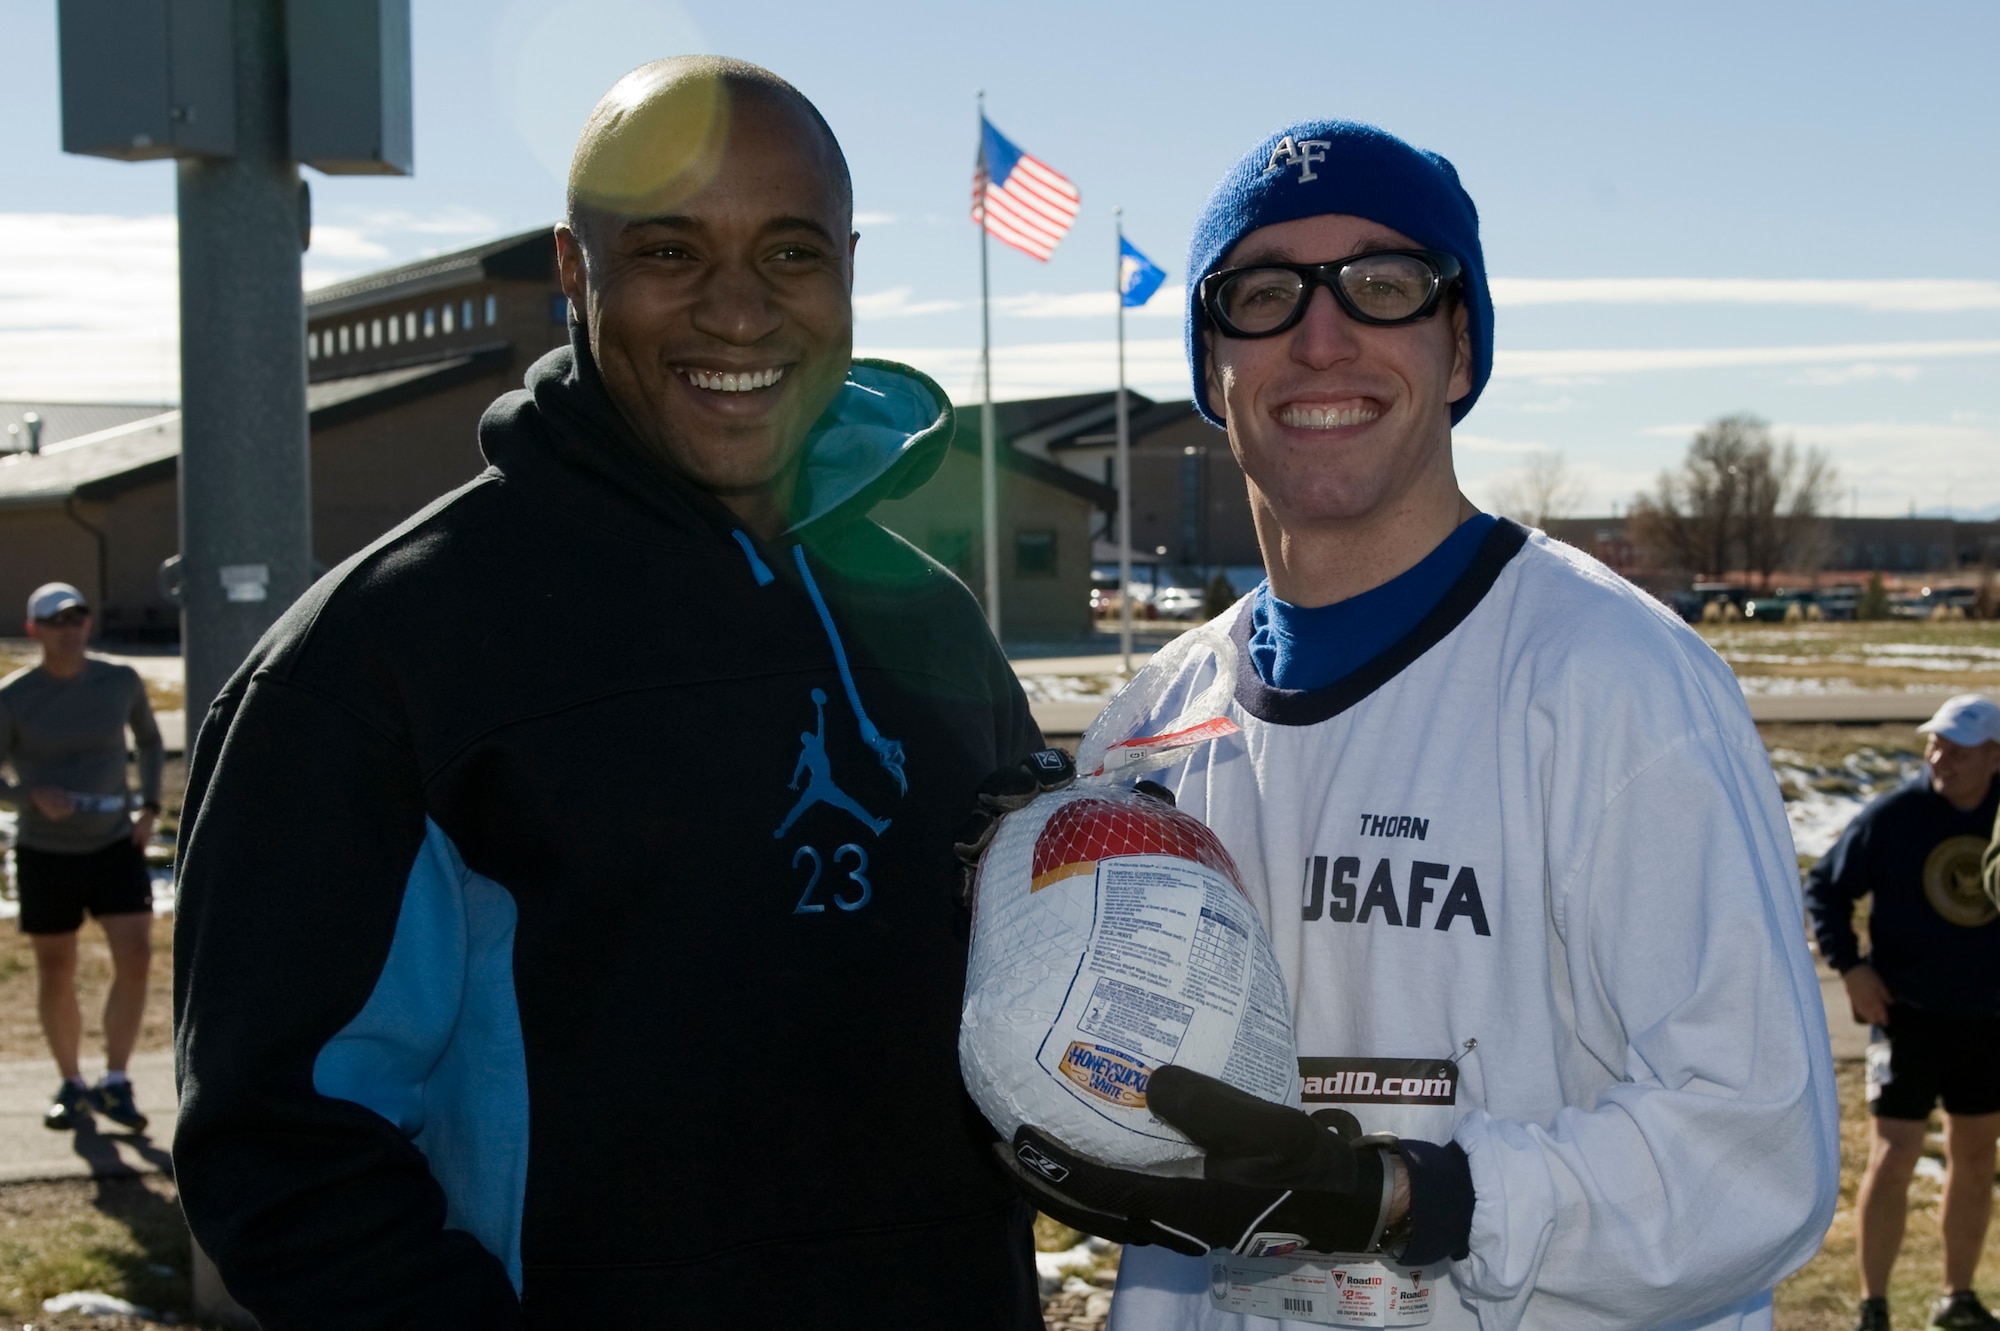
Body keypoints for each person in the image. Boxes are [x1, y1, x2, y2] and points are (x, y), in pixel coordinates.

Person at [173, 57, 1043, 1328]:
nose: (738, 313)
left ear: (847, 270)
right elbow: (279, 1144)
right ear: (575, 277)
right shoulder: (381, 658)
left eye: (790, 254)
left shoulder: (930, 622)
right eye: (671, 253)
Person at [982, 120, 1839, 1329]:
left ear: (1458, 345)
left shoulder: (1613, 682)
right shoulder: (1148, 726)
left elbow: (1756, 1154)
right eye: (1262, 294)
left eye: (1384, 286)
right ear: (1211, 366)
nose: (1320, 336)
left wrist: (1408, 1194)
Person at [1806, 693, 2000, 1331]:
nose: (1941, 759)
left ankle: (1956, 1296)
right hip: (1907, 1013)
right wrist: (1853, 968)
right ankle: (1874, 1305)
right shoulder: (1895, 816)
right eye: (1935, 745)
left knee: (1975, 1156)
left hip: (1987, 1019)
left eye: (1959, 750)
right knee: (1895, 1151)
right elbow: (1825, 887)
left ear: (1995, 757)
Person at [0, 582, 161, 1134]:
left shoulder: (119, 681)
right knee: (57, 966)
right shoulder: (15, 696)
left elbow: (148, 739)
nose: (69, 631)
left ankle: (116, 1081)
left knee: (136, 955)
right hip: (47, 850)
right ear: (35, 630)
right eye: (57, 622)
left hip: (115, 842)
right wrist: (30, 797)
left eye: (78, 620)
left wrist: (150, 807)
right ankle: (71, 1083)